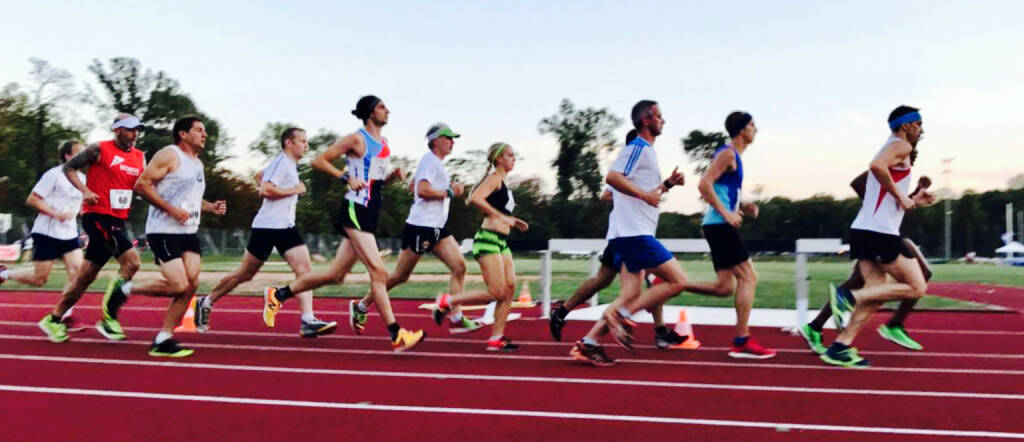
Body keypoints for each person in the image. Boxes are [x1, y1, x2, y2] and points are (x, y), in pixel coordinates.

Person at [264, 95, 425, 352]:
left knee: (335, 275)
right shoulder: (356, 138)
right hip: (354, 209)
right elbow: (319, 160)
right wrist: (344, 177)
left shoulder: (383, 144)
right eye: (383, 107)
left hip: (370, 211)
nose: (388, 111)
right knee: (379, 272)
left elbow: (375, 181)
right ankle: (396, 333)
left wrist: (393, 176)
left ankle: (279, 294)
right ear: (370, 112)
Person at [569, 100, 686, 367]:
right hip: (635, 235)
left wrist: (666, 184)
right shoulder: (637, 147)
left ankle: (588, 344)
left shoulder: (648, 153)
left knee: (631, 293)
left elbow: (643, 191)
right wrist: (645, 194)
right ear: (646, 120)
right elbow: (612, 177)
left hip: (634, 232)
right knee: (678, 280)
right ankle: (620, 316)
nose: (663, 120)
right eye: (659, 116)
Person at [821, 105, 936, 368]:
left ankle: (840, 346)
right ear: (906, 126)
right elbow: (875, 166)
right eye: (918, 123)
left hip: (866, 229)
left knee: (877, 292)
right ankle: (847, 298)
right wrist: (900, 196)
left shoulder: (893, 147)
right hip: (878, 232)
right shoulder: (900, 146)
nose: (921, 129)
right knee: (917, 286)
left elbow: (886, 196)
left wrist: (914, 199)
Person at [195, 127, 336, 338]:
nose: (306, 145)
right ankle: (206, 302)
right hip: (268, 227)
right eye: (302, 141)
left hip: (286, 226)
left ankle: (308, 320)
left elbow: (259, 176)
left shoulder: (285, 164)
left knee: (305, 270)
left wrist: (284, 187)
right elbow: (265, 190)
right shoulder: (282, 163)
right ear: (289, 142)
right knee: (246, 274)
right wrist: (294, 190)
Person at [351, 123, 482, 335]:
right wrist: (450, 191)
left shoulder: (435, 163)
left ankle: (456, 317)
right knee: (400, 276)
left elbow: (414, 186)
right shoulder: (430, 160)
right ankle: (361, 306)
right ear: (435, 141)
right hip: (421, 227)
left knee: (460, 267)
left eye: (453, 138)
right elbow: (422, 190)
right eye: (448, 138)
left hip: (437, 227)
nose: (452, 142)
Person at [674, 112, 776, 359]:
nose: (756, 129)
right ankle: (742, 340)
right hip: (720, 225)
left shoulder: (734, 157)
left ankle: (671, 284)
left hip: (718, 224)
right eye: (752, 125)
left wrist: (741, 206)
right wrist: (728, 214)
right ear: (742, 130)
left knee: (723, 288)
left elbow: (721, 190)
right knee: (749, 277)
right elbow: (704, 184)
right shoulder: (728, 153)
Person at [37, 114, 146, 343]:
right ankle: (109, 318)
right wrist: (84, 190)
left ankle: (54, 319)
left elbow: (142, 184)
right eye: (130, 129)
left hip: (118, 220)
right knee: (132, 262)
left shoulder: (139, 157)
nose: (135, 134)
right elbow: (69, 167)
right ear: (117, 130)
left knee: (85, 276)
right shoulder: (99, 149)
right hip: (97, 217)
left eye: (137, 130)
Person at [798, 173, 933, 354]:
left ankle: (820, 329)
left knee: (862, 283)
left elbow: (897, 203)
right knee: (865, 284)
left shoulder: (903, 165)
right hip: (877, 229)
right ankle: (892, 325)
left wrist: (915, 194)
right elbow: (858, 183)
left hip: (889, 229)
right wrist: (874, 207)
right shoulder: (892, 158)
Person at [126, 116, 226, 357]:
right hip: (163, 231)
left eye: (205, 131)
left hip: (188, 231)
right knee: (178, 284)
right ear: (183, 133)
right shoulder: (169, 155)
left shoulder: (198, 164)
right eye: (199, 130)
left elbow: (190, 199)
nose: (204, 134)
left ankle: (163, 338)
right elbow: (142, 185)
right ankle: (125, 289)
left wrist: (210, 207)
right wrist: (170, 210)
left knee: (190, 285)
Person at [433, 142, 529, 351]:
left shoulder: (503, 183)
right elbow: (474, 198)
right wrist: (503, 217)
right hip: (487, 239)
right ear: (499, 159)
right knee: (497, 292)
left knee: (510, 288)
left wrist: (512, 220)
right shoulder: (494, 178)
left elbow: (497, 209)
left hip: (501, 242)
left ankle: (496, 338)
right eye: (511, 155)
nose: (514, 158)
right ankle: (447, 300)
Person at [1, 141, 86, 327]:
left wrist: (83, 222)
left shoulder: (83, 179)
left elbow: (81, 204)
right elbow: (32, 199)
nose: (85, 156)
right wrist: (56, 214)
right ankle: (5, 273)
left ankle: (64, 316)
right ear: (68, 156)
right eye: (80, 153)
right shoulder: (54, 175)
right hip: (47, 232)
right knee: (40, 279)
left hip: (69, 233)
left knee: (78, 273)